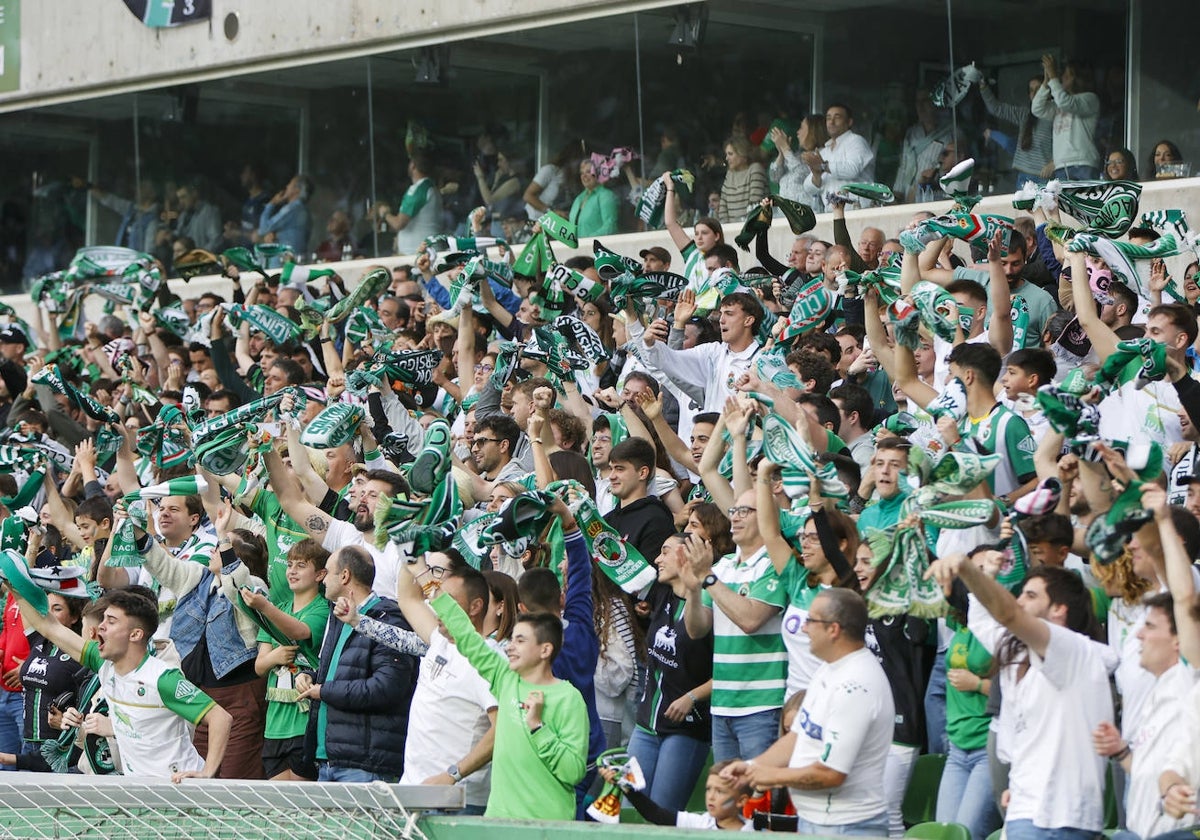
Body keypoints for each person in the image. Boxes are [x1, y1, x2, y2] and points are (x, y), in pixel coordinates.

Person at [926, 556, 1117, 840]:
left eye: (1030, 595)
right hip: (1025, 811)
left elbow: (1007, 615)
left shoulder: (1074, 651)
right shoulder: (1018, 652)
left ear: (1058, 610)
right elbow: (983, 621)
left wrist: (966, 570)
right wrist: (985, 577)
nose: (1019, 601)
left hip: (1059, 819)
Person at [427, 516, 588, 820]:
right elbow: (467, 636)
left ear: (545, 649)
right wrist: (424, 575)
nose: (510, 647)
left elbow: (573, 771)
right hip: (498, 821)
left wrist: (538, 726)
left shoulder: (568, 699)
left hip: (546, 827)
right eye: (512, 639)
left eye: (521, 640)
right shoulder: (505, 678)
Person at [721, 589, 893, 837]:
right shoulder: (829, 669)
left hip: (847, 827)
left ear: (834, 629)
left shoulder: (856, 686)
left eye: (811, 621)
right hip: (816, 822)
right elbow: (797, 736)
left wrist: (772, 776)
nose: (803, 628)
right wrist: (751, 767)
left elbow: (831, 774)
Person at [14, 588, 232, 781]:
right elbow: (49, 627)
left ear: (136, 634)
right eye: (103, 620)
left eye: (111, 621)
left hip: (179, 788)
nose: (100, 627)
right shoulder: (104, 664)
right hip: (138, 787)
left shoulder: (162, 678)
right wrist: (13, 584)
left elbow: (221, 717)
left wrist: (207, 773)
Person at [373, 561, 498, 815]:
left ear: (475, 607)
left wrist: (453, 774)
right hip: (413, 792)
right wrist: (407, 545)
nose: (438, 607)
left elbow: (502, 729)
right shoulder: (440, 640)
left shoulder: (489, 658)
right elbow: (408, 597)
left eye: (449, 600)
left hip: (457, 799)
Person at [296, 545, 418, 783]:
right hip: (328, 760)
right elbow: (338, 674)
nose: (322, 579)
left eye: (327, 572)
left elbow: (386, 688)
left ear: (345, 576)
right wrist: (311, 676)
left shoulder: (389, 619)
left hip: (364, 765)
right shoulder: (339, 617)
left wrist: (323, 691)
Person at [682, 488, 787, 763]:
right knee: (727, 800)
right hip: (723, 705)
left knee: (757, 798)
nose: (735, 518)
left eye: (745, 511)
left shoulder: (775, 564)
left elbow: (750, 619)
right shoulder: (723, 567)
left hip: (763, 706)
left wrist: (706, 576)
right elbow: (696, 629)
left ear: (769, 517)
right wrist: (693, 590)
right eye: (733, 511)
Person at [630, 534, 714, 812]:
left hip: (685, 728)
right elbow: (617, 563)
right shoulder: (661, 594)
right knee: (629, 808)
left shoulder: (712, 606)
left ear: (687, 555)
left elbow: (731, 666)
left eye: (665, 551)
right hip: (646, 724)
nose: (657, 558)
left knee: (662, 814)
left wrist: (693, 696)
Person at [602, 759, 752, 830]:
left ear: (741, 801)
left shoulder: (754, 833)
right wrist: (624, 785)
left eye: (720, 791)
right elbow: (655, 814)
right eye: (708, 789)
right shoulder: (702, 823)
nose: (711, 796)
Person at [603, 437, 677, 563]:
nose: (612, 476)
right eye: (611, 469)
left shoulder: (656, 520)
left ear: (642, 473)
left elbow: (654, 575)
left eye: (620, 469)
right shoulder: (606, 521)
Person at [978, 75, 1054, 189]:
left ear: (1048, 91)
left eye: (1039, 89)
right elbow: (996, 108)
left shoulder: (1055, 115)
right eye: (1031, 90)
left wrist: (1054, 163)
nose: (1034, 93)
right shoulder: (1024, 114)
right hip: (1022, 176)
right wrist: (983, 85)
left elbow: (1066, 145)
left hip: (1044, 177)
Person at [1032, 55, 1101, 180]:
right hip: (1061, 165)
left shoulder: (1090, 98)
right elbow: (1037, 109)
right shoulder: (1059, 103)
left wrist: (1053, 77)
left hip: (1083, 163)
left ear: (1079, 78)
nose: (1063, 77)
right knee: (1063, 200)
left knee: (1086, 199)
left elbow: (1066, 103)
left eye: (1069, 74)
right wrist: (1046, 83)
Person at [800, 104, 876, 212]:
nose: (831, 122)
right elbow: (808, 188)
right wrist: (816, 176)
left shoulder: (856, 141)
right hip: (832, 213)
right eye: (828, 118)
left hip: (858, 210)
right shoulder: (825, 152)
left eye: (837, 117)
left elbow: (852, 169)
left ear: (849, 122)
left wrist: (823, 166)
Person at [378, 153, 442, 255]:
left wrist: (385, 213)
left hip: (417, 254)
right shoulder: (432, 188)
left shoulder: (418, 190)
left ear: (413, 166)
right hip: (427, 251)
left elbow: (399, 223)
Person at [769, 115, 828, 210]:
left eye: (801, 128)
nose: (798, 132)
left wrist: (786, 149)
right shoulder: (796, 155)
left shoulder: (822, 154)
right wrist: (781, 153)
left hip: (806, 215)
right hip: (786, 215)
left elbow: (802, 173)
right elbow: (774, 177)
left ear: (813, 131)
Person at [257, 174, 313, 257]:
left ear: (296, 190)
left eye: (290, 184)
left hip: (286, 263)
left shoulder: (293, 208)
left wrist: (272, 203)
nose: (287, 186)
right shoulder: (302, 209)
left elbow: (264, 228)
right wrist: (275, 234)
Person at [718, 137, 768, 224]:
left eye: (730, 154)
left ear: (742, 154)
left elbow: (755, 203)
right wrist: (725, 227)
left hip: (751, 227)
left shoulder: (755, 169)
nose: (727, 158)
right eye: (726, 154)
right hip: (731, 229)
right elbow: (723, 205)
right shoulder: (729, 174)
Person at [568, 160, 618, 237]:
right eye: (582, 173)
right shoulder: (578, 199)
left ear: (598, 173)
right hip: (577, 248)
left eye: (588, 172)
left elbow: (610, 227)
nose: (584, 176)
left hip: (595, 247)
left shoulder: (606, 195)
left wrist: (587, 241)